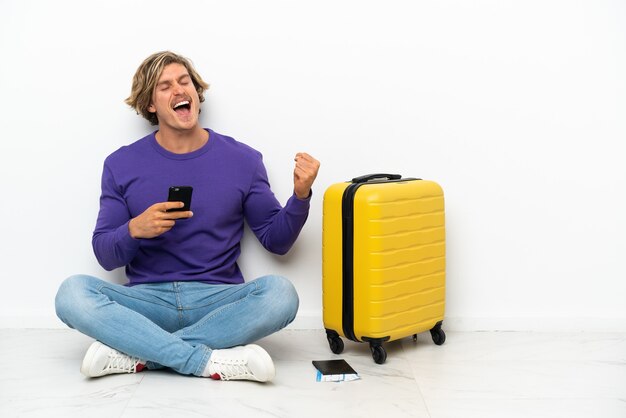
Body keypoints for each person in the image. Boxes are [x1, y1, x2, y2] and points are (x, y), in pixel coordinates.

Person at [55, 51, 320, 383]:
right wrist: (135, 229)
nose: (180, 90)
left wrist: (300, 197)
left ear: (197, 94)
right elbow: (105, 255)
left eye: (185, 82)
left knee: (282, 294)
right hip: (147, 302)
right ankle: (204, 361)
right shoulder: (121, 164)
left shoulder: (243, 159)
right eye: (165, 86)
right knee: (71, 293)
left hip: (217, 301)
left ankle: (140, 355)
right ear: (150, 104)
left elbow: (276, 241)